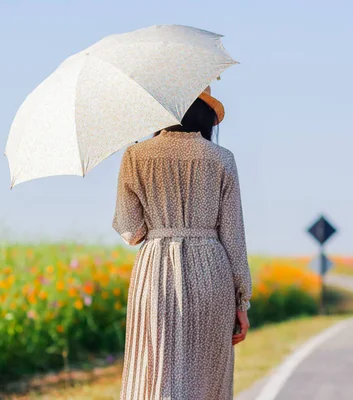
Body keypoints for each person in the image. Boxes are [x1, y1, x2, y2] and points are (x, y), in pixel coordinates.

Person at [113, 86, 252, 400]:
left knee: (155, 372)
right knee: (205, 379)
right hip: (211, 274)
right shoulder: (222, 160)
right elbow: (233, 236)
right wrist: (241, 303)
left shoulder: (135, 156)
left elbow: (131, 230)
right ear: (206, 115)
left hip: (155, 273)